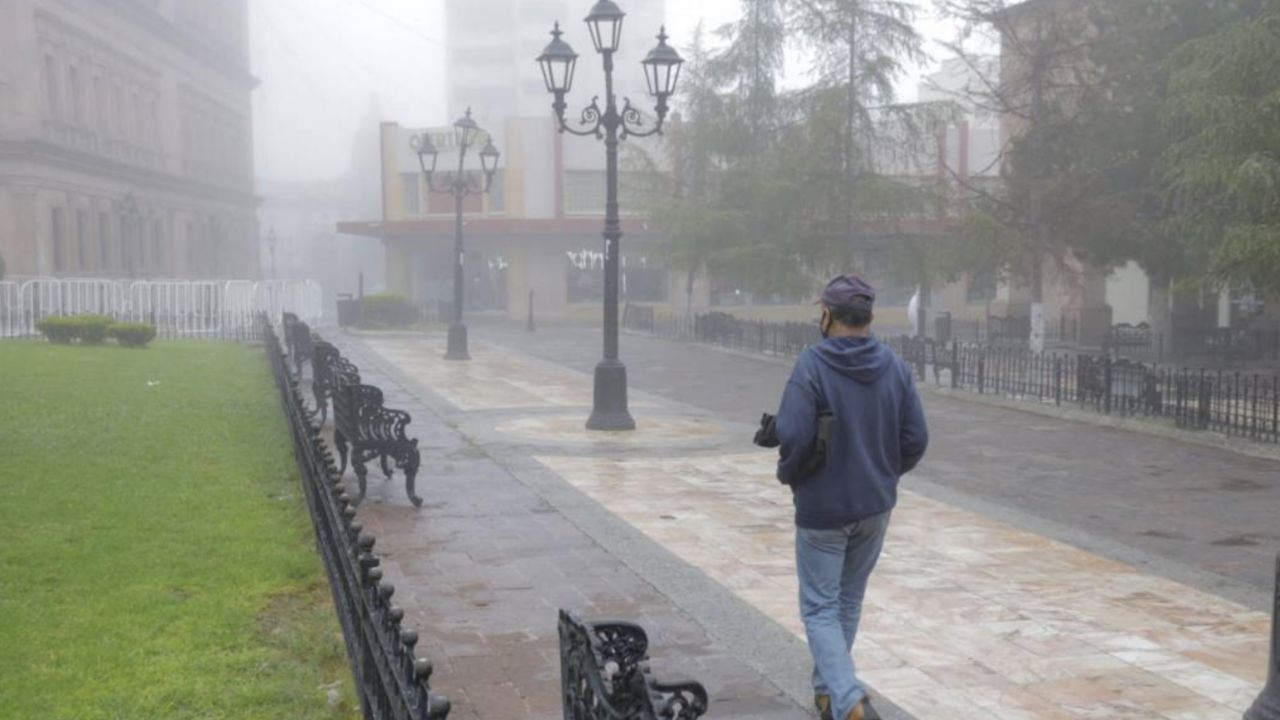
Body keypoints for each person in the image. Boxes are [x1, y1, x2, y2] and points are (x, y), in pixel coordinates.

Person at [774, 275, 929, 720]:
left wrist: (790, 473)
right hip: (875, 506)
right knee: (847, 600)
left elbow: (794, 434)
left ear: (827, 315)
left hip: (824, 508)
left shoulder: (812, 365)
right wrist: (881, 473)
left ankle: (848, 700)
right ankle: (827, 693)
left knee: (820, 608)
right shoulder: (896, 367)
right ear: (869, 317)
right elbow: (915, 437)